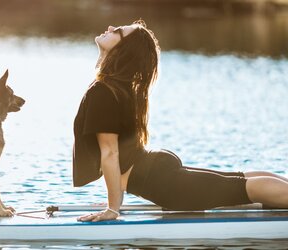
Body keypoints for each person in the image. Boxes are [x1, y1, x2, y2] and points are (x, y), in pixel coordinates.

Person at [72, 19, 288, 222]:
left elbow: (110, 153)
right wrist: (115, 201)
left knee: (245, 187)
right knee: (240, 180)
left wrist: (113, 209)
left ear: (123, 52)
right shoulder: (116, 88)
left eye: (117, 32)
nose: (110, 27)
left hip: (163, 183)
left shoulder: (106, 91)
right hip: (155, 171)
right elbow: (116, 153)